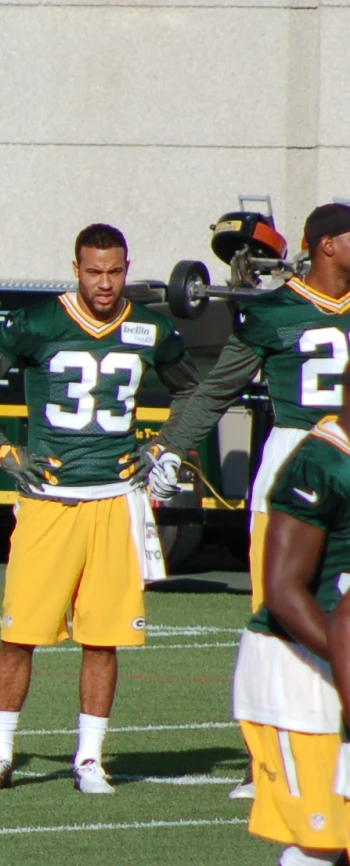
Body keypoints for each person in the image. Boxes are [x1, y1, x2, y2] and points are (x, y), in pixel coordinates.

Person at [0, 223, 216, 795]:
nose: (105, 283)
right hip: (49, 501)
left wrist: (162, 445)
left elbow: (193, 390)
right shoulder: (40, 322)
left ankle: (90, 759)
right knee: (19, 633)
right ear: (75, 268)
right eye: (94, 271)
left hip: (115, 501)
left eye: (115, 271)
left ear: (126, 266)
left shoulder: (148, 326)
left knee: (103, 635)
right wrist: (3, 451)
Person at [144, 204, 350, 617]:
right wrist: (171, 449)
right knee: (282, 612)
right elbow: (217, 390)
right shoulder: (272, 311)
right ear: (327, 245)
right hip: (296, 454)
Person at [218, 413, 350, 866]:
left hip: (338, 665)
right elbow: (283, 588)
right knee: (322, 836)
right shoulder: (320, 462)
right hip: (300, 673)